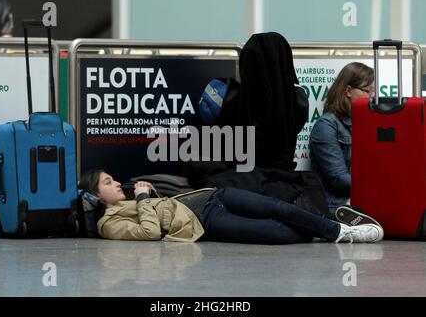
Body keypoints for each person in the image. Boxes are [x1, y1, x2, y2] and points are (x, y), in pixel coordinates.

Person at [78, 169, 384, 245]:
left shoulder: (130, 199)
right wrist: (144, 199)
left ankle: (341, 231)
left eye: (113, 179)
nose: (117, 183)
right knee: (276, 234)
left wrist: (146, 196)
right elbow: (149, 232)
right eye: (108, 182)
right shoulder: (109, 224)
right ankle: (327, 225)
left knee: (277, 206)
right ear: (96, 196)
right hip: (203, 221)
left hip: (214, 196)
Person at [309, 62, 374, 215]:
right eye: (368, 91)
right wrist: (378, 187)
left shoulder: (366, 123)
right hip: (338, 206)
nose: (372, 97)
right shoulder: (326, 126)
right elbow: (339, 179)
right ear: (349, 91)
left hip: (361, 201)